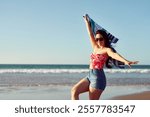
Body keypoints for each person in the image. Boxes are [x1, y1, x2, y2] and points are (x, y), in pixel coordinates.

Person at [71, 15, 138, 100]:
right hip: (89, 76)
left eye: (101, 39)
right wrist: (87, 23)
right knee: (74, 91)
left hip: (98, 78)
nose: (98, 41)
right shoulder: (95, 47)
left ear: (105, 39)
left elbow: (114, 55)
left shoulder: (107, 50)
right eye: (97, 39)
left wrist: (125, 61)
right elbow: (90, 34)